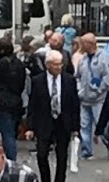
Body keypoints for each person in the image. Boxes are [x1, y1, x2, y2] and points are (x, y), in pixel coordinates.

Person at [25, 50, 81, 182]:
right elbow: (33, 104)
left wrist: (75, 127)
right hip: (44, 122)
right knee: (42, 154)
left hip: (63, 121)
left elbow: (75, 104)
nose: (59, 67)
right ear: (48, 65)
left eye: (60, 64)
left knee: (62, 155)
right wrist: (30, 127)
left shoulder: (69, 80)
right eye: (55, 64)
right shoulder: (38, 81)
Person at [76, 33, 109, 161]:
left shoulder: (104, 58)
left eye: (83, 43)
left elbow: (107, 77)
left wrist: (99, 90)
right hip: (84, 99)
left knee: (101, 125)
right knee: (84, 125)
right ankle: (86, 151)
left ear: (90, 44)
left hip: (99, 99)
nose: (81, 45)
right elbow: (77, 76)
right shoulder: (83, 59)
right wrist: (79, 90)